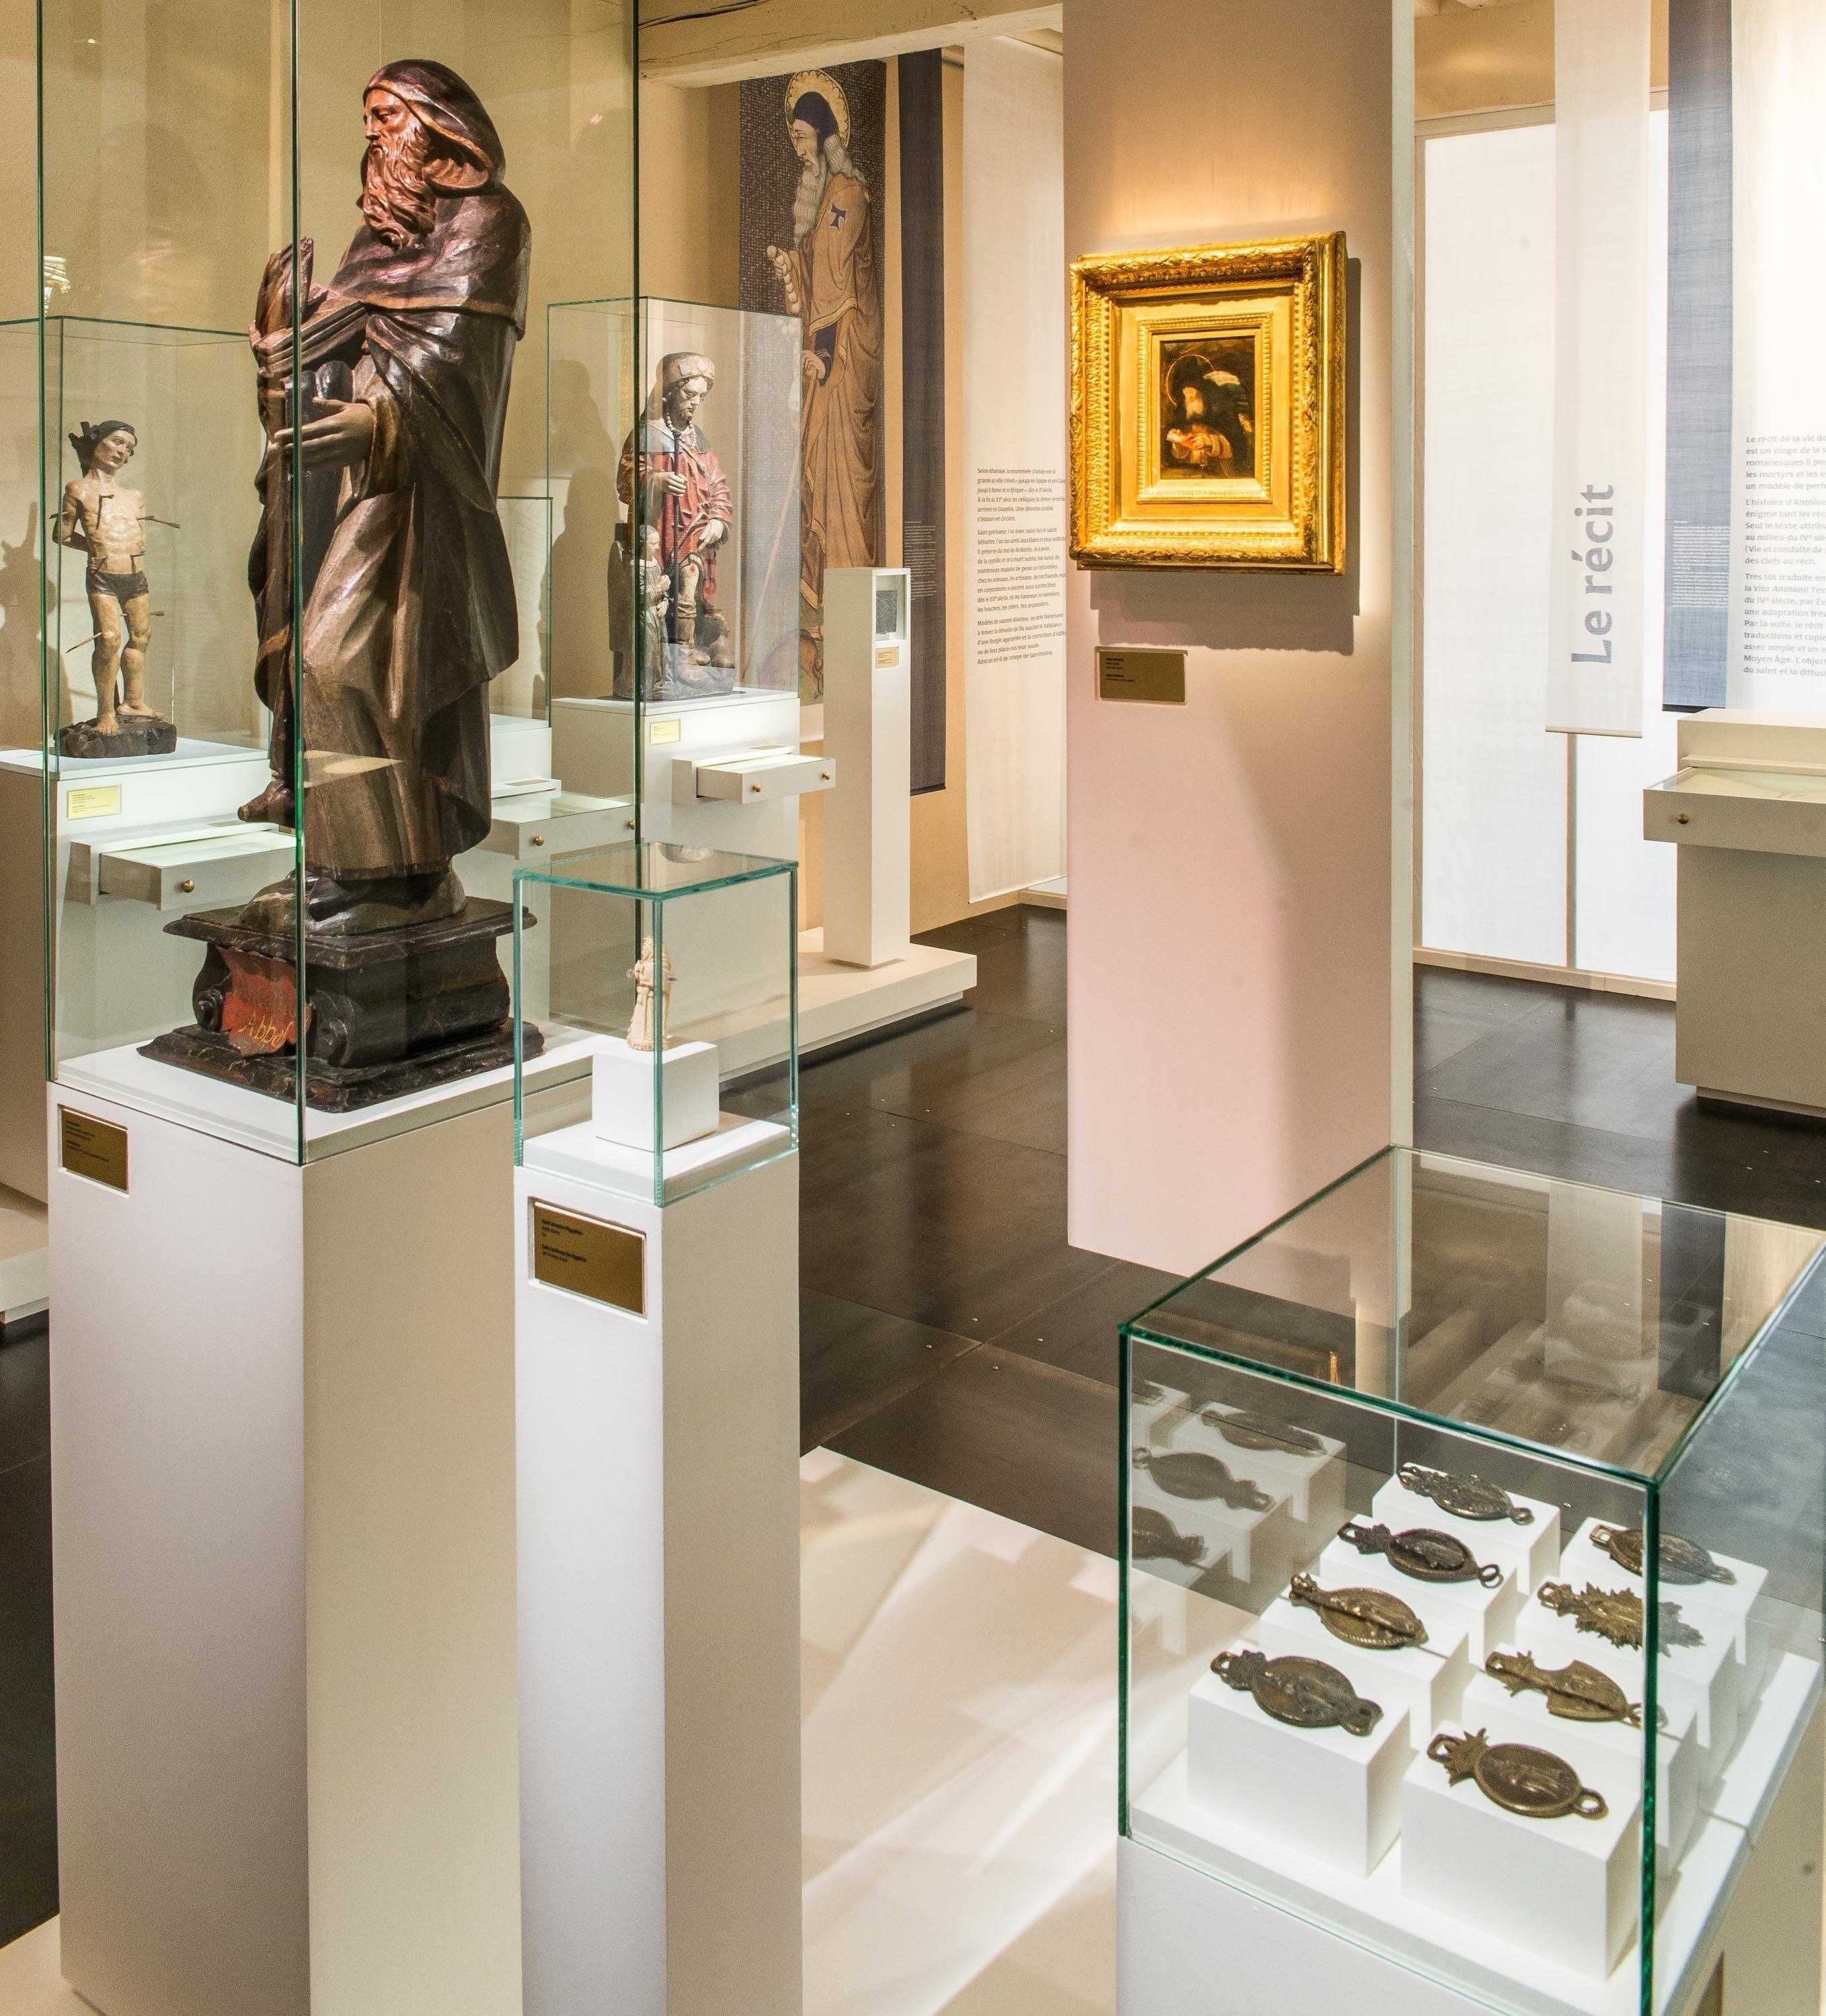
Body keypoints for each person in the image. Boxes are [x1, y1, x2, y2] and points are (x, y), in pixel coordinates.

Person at [238, 58, 529, 935]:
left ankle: (403, 877)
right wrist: (283, 342)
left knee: (345, 661)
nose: (371, 130)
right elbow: (329, 345)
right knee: (324, 659)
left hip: (421, 493)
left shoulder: (490, 221)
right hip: (346, 480)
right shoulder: (376, 240)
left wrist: (380, 422)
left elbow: (461, 363)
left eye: (388, 113)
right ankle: (348, 863)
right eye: (367, 114)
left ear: (440, 125)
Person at [763, 71, 881, 695]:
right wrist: (791, 267)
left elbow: (838, 288)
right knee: (818, 472)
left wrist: (824, 353)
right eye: (793, 138)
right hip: (824, 352)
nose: (799, 147)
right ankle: (818, 609)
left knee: (837, 474)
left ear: (828, 134)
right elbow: (815, 283)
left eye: (805, 136)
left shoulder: (845, 195)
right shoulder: (820, 198)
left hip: (844, 356)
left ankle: (845, 605)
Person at [617, 351, 734, 689]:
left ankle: (689, 651)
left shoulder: (698, 440)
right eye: (689, 394)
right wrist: (656, 481)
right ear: (669, 392)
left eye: (701, 397)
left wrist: (718, 519)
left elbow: (719, 485)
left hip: (696, 532)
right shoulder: (646, 434)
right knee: (673, 590)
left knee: (692, 589)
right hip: (662, 532)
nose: (696, 403)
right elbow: (626, 482)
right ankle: (678, 660)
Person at [56, 421, 161, 741]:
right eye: (117, 442)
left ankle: (133, 702)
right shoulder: (78, 489)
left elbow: (140, 539)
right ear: (97, 443)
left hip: (135, 576)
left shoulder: (135, 496)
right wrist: (95, 547)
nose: (122, 452)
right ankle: (105, 711)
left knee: (141, 637)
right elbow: (62, 534)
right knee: (109, 640)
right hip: (102, 576)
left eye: (129, 448)